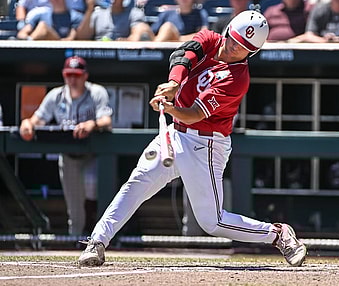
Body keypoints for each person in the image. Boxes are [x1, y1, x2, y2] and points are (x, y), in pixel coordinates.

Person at [78, 10, 307, 268]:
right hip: (175, 134)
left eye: (241, 47)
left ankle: (277, 234)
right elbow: (183, 54)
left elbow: (194, 115)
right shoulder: (211, 38)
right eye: (232, 39)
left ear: (251, 53)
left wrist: (170, 106)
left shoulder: (237, 79)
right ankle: (97, 242)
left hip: (206, 145)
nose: (232, 48)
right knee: (137, 183)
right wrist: (174, 84)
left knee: (212, 222)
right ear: (228, 29)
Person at [19, 56, 113, 235]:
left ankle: (98, 234)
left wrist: (92, 124)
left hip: (93, 154)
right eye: (69, 75)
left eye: (77, 75)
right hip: (69, 157)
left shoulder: (96, 92)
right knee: (75, 209)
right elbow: (37, 120)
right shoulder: (56, 95)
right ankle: (76, 241)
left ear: (85, 76)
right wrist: (27, 123)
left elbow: (106, 120)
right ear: (64, 75)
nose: (73, 79)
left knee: (93, 186)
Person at [76, 0, 153, 41]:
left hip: (123, 54)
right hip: (98, 54)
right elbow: (82, 37)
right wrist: (90, 9)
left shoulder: (134, 14)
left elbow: (138, 35)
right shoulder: (97, 14)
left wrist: (126, 41)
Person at [17, 0, 81, 40]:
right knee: (42, 25)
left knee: (43, 26)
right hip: (40, 51)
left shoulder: (75, 16)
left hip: (62, 51)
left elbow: (71, 38)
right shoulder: (40, 15)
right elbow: (22, 33)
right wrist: (29, 39)